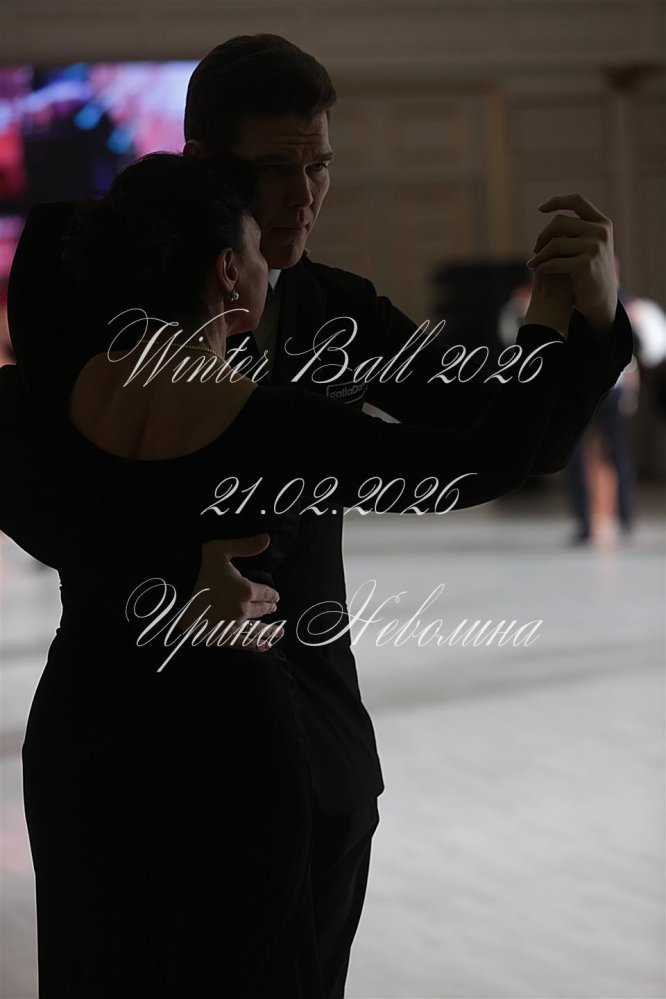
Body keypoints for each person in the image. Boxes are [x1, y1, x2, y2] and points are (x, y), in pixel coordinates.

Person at [5, 35, 634, 998]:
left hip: (309, 749)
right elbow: (19, 459)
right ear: (205, 166)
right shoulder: (80, 266)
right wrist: (161, 579)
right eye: (275, 169)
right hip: (121, 731)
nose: (305, 197)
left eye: (321, 166)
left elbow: (499, 435)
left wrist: (592, 318)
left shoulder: (338, 307)